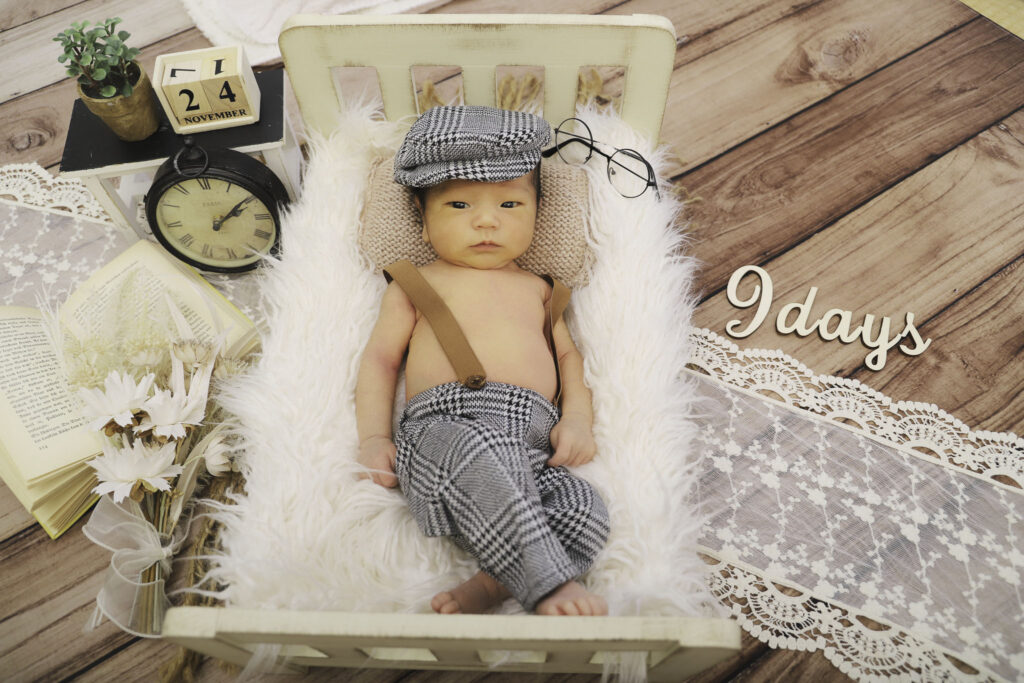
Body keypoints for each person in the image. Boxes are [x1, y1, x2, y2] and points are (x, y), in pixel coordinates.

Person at [354, 105, 610, 616]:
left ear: (536, 215)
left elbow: (569, 357)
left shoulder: (541, 289)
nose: (487, 220)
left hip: (533, 444)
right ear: (423, 224)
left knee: (585, 509)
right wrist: (374, 438)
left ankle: (494, 583)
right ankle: (550, 586)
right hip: (444, 432)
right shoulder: (415, 283)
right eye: (459, 205)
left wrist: (578, 419)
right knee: (484, 449)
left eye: (511, 204)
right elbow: (380, 360)